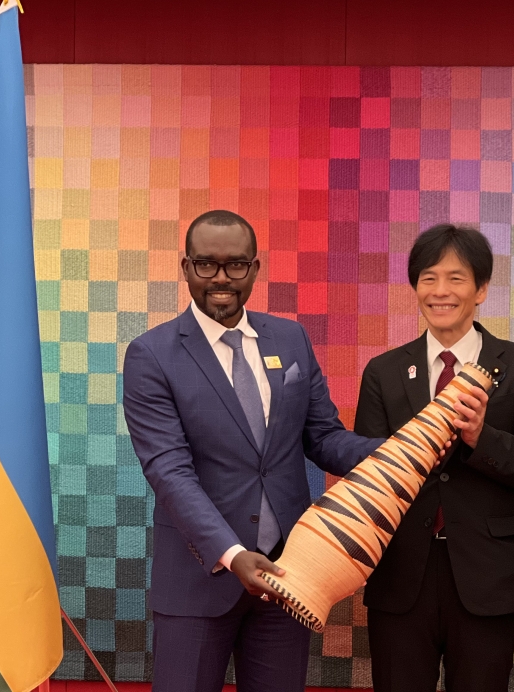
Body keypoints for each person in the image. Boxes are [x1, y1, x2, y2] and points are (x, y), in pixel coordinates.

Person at [122, 210, 383, 692]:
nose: (221, 279)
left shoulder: (291, 339)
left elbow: (324, 439)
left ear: (255, 269)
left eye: (235, 266)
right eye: (206, 265)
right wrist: (233, 553)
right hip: (198, 584)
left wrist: (407, 451)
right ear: (185, 268)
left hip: (287, 578)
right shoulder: (152, 355)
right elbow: (169, 471)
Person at [354, 224, 514, 691]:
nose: (440, 291)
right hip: (401, 573)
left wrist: (480, 438)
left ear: (481, 289)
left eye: (456, 278)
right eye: (428, 278)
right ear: (415, 288)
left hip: (488, 574)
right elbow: (368, 473)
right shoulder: (384, 372)